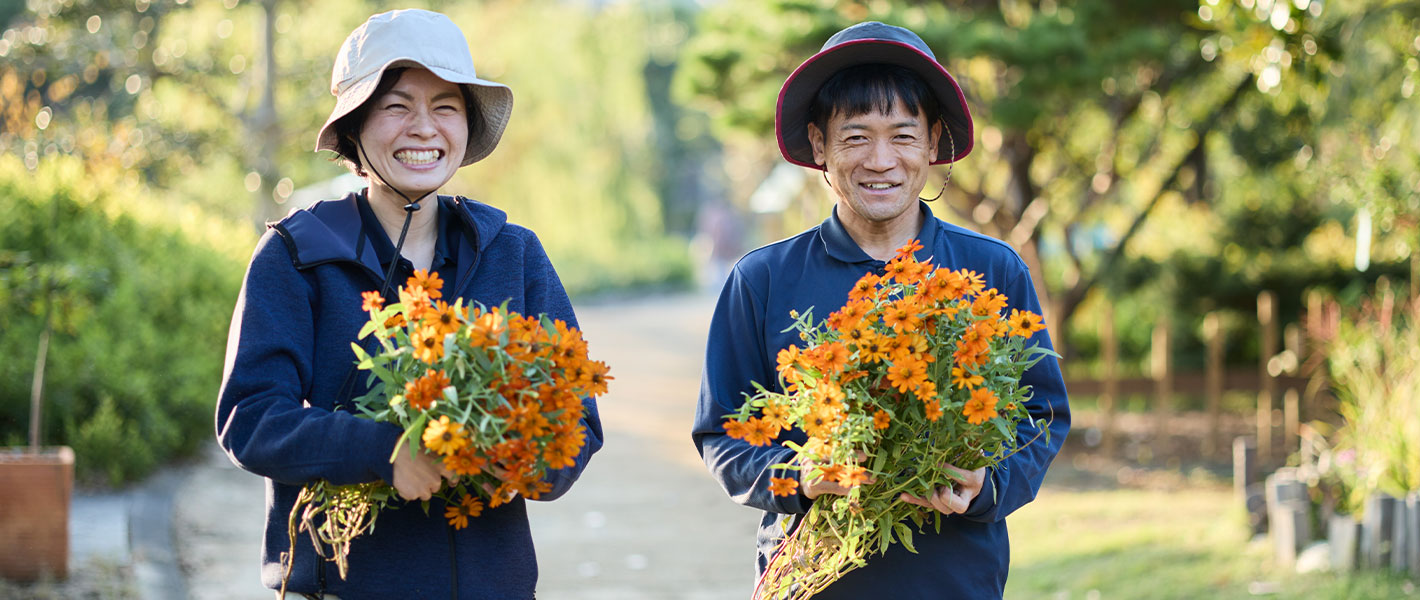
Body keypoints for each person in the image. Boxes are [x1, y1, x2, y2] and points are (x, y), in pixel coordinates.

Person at [215, 10, 602, 599]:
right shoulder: (296, 255)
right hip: (343, 585)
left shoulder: (512, 253)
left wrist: (517, 454)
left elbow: (577, 418)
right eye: (397, 105)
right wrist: (387, 452)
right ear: (353, 128)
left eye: (446, 106)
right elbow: (251, 420)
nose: (424, 128)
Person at [691, 22, 1071, 598]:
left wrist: (987, 485)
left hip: (955, 577)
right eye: (855, 137)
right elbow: (721, 435)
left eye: (902, 135)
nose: (881, 160)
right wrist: (800, 476)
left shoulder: (992, 270)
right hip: (812, 579)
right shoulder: (762, 279)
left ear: (933, 142)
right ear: (819, 145)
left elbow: (1042, 415)